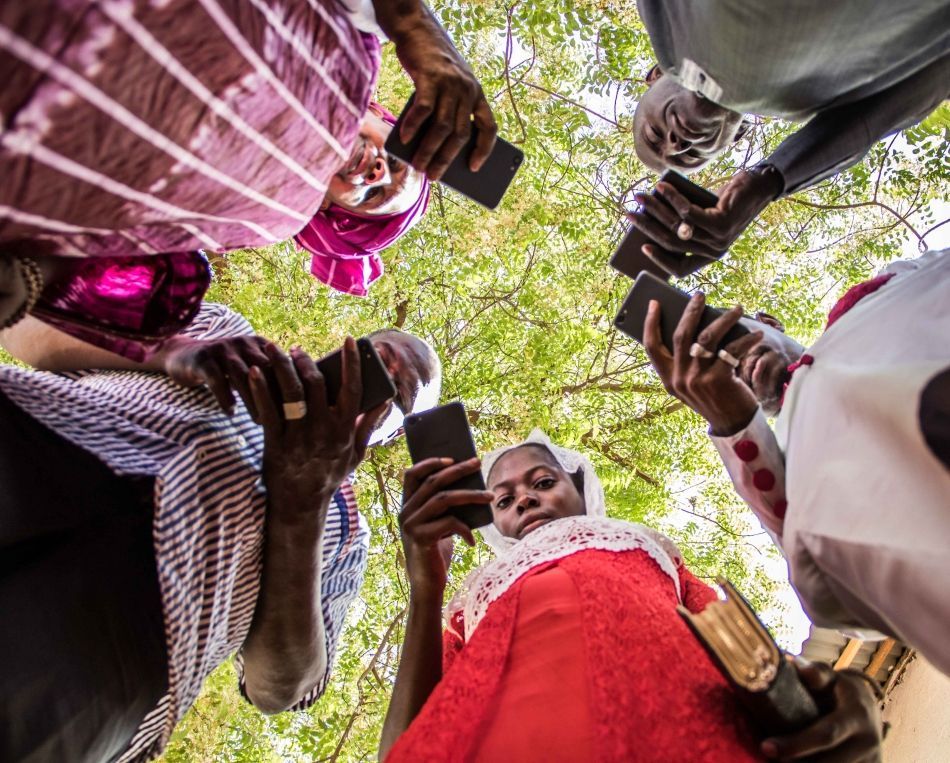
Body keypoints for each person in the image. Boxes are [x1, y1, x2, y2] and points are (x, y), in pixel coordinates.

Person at [0, 302, 441, 762]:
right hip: (33, 436)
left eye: (397, 389)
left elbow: (281, 687)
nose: (381, 373)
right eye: (377, 354)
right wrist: (172, 351)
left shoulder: (349, 533)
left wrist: (302, 506)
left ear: (388, 432)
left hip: (124, 648)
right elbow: (23, 323)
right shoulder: (227, 335)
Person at [0, 0, 495, 353]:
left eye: (371, 196)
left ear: (325, 209)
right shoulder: (352, 35)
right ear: (388, 121)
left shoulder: (258, 222)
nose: (377, 172)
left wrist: (37, 273)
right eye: (398, 162)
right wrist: (414, 23)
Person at [379, 431, 883, 761]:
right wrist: (428, 587)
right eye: (504, 501)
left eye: (542, 482)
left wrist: (834, 696)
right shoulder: (472, 601)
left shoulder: (647, 549)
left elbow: (743, 651)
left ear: (582, 490)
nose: (525, 499)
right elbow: (406, 744)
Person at [641, 248, 950, 676]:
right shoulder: (798, 475)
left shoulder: (887, 293)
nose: (732, 362)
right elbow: (838, 599)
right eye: (711, 365)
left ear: (766, 323)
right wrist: (735, 426)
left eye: (726, 340)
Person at [627, 0, 949, 276]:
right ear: (735, 136)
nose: (676, 143)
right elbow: (924, 82)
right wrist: (768, 181)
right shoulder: (814, 99)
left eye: (655, 134)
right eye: (690, 155)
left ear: (655, 76)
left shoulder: (667, 20)